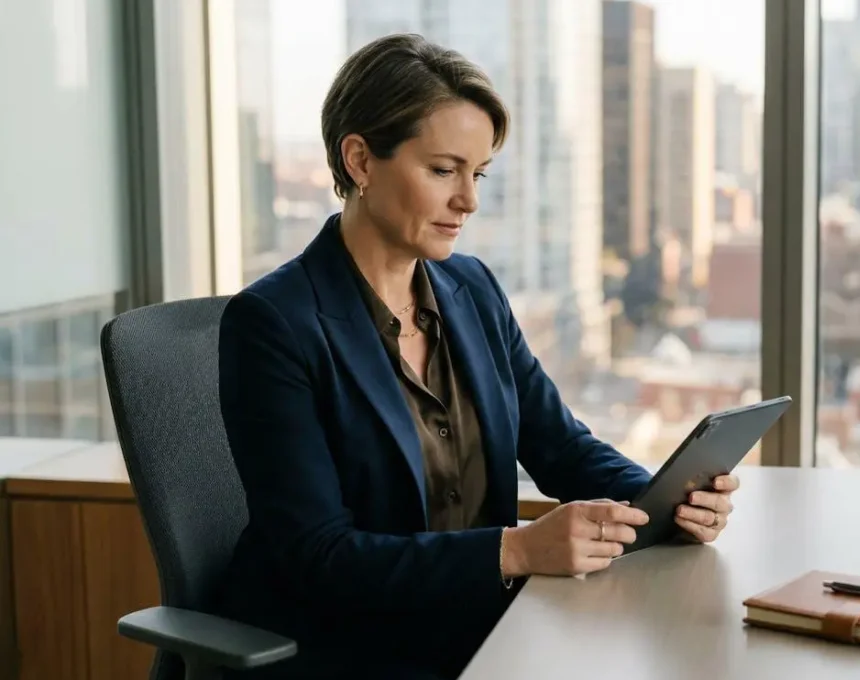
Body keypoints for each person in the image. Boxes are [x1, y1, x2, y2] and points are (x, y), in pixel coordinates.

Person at [213, 34, 740, 679]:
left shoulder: (472, 290)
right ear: (360, 160)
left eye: (478, 173)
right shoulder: (274, 325)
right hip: (350, 648)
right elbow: (319, 558)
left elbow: (560, 446)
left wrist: (664, 503)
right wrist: (514, 552)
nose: (470, 199)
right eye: (443, 170)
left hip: (485, 630)